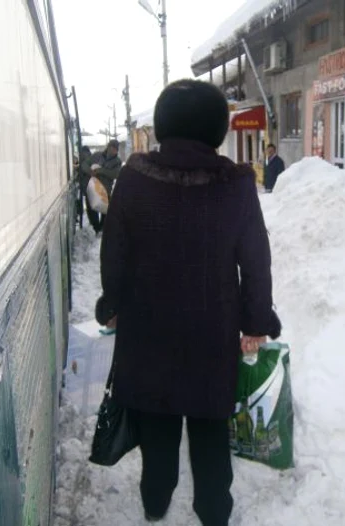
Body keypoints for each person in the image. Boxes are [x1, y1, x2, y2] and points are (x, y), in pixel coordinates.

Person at [97, 79, 281, 526]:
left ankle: (156, 502)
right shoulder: (234, 185)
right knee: (209, 428)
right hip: (211, 331)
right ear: (217, 129)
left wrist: (113, 302)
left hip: (147, 329)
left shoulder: (134, 179)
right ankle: (214, 511)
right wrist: (256, 320)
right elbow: (255, 258)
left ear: (162, 125)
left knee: (157, 423)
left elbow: (115, 250)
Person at [81, 139, 122, 234]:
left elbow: (116, 174)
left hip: (105, 190)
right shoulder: (97, 155)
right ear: (108, 147)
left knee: (105, 211)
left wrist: (101, 171)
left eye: (115, 149)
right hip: (92, 188)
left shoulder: (117, 161)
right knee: (91, 208)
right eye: (111, 147)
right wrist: (90, 171)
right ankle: (95, 228)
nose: (113, 150)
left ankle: (102, 229)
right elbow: (84, 165)